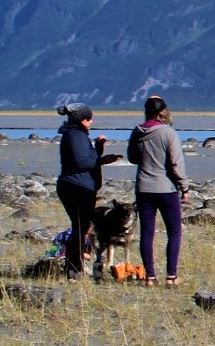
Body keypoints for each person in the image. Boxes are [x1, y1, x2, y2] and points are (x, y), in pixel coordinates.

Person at [127, 96, 188, 286]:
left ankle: (150, 276)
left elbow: (132, 158)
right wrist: (184, 187)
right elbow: (176, 162)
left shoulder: (137, 132)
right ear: (164, 111)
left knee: (147, 232)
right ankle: (171, 276)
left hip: (144, 187)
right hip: (166, 187)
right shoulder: (168, 133)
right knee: (175, 231)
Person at [55, 103, 119, 279]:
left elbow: (88, 158)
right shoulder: (76, 136)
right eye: (88, 119)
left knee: (81, 227)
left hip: (79, 186)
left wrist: (98, 148)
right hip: (76, 187)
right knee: (80, 228)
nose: (91, 122)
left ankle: (74, 266)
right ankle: (74, 268)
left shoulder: (77, 135)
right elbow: (82, 163)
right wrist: (103, 160)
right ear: (81, 120)